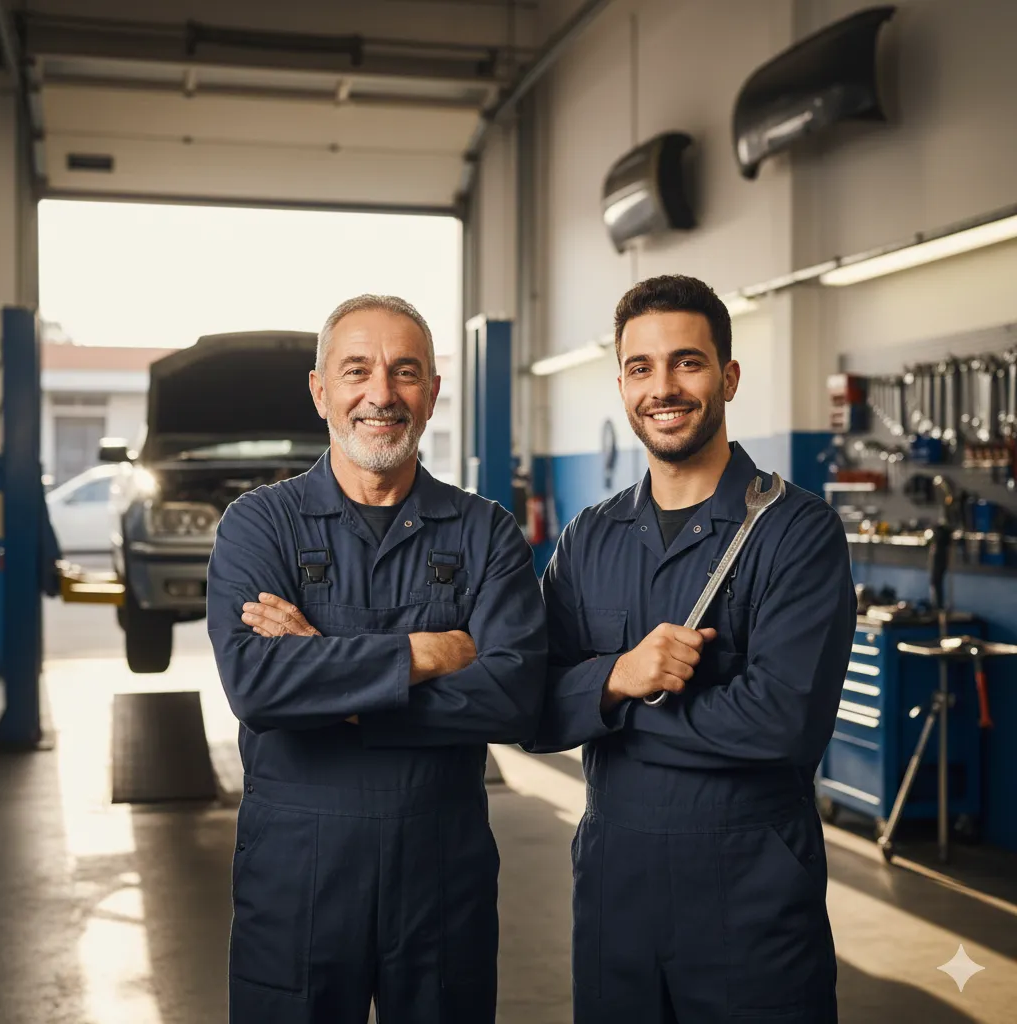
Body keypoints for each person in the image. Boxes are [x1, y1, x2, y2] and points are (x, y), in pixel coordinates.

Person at [207, 294, 546, 1024]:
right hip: (295, 874)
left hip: (440, 875)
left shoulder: (486, 534)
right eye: (357, 370)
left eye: (405, 372)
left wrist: (329, 681)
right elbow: (257, 685)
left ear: (432, 393)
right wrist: (424, 653)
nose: (381, 394)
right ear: (320, 389)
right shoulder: (258, 526)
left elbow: (513, 696)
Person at [527, 275, 855, 1024]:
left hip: (752, 902)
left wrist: (611, 703)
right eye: (641, 368)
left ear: (728, 376)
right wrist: (621, 674)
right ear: (621, 385)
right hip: (616, 904)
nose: (663, 387)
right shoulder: (589, 538)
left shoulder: (795, 533)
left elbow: (783, 722)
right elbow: (532, 712)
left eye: (687, 362)